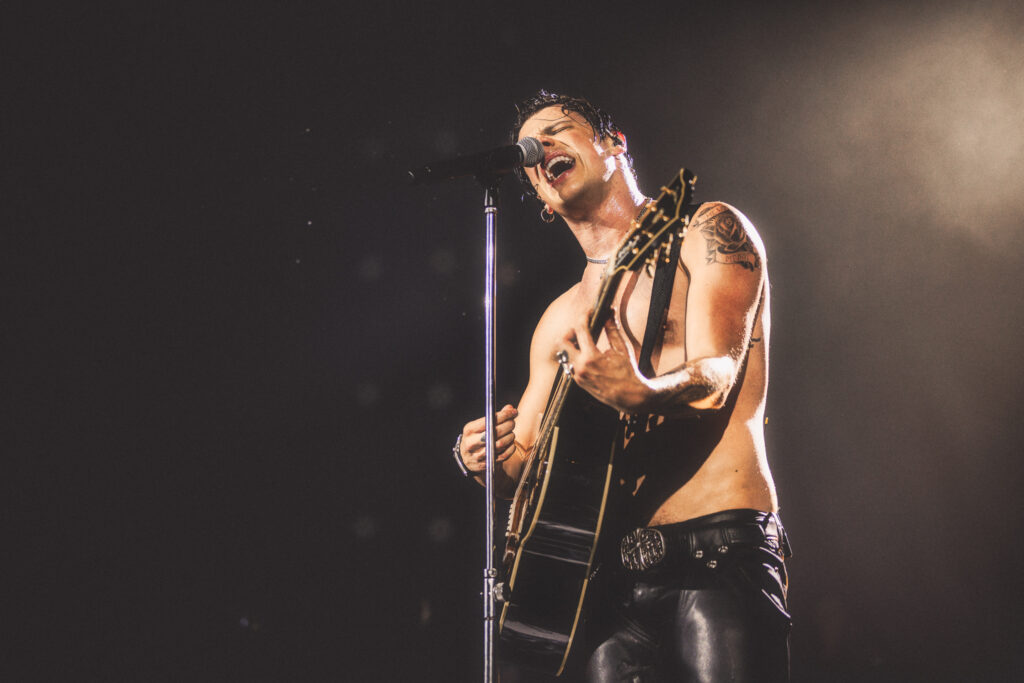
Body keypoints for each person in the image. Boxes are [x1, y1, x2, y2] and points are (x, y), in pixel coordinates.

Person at [453, 91, 792, 683]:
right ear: (538, 195)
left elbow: (718, 373)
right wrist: (485, 459)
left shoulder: (704, 230)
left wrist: (641, 391)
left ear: (614, 145)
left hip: (718, 551)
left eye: (559, 130)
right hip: (605, 583)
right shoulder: (559, 319)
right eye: (531, 147)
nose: (541, 147)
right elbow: (523, 471)